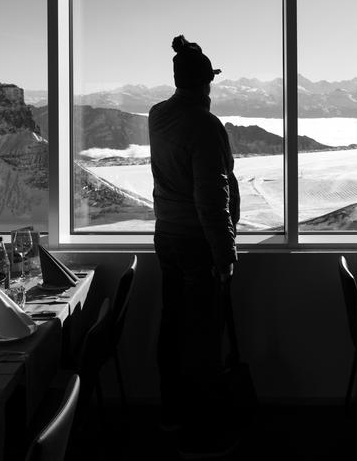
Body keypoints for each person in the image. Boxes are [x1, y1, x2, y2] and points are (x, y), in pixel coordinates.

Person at [149, 35, 241, 458]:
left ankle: (171, 412)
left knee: (172, 327)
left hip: (166, 236)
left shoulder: (157, 116)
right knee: (204, 337)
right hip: (196, 243)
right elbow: (211, 195)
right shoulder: (204, 125)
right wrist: (224, 253)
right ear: (206, 84)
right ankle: (204, 432)